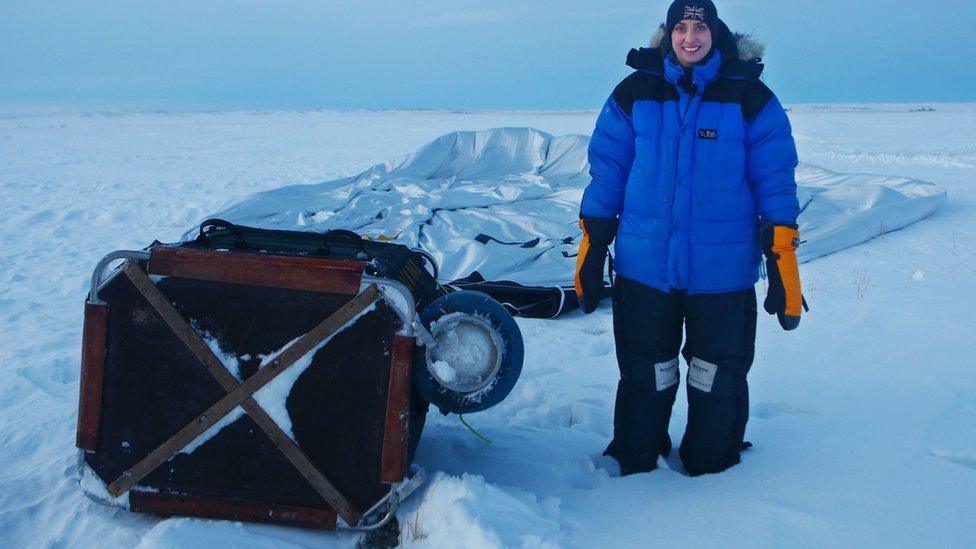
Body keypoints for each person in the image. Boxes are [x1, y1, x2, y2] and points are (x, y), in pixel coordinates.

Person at [575, 0, 806, 477]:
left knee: (714, 374)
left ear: (714, 33)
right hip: (644, 267)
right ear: (669, 32)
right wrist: (593, 244)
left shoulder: (750, 97)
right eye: (681, 26)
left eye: (700, 27)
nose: (690, 37)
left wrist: (782, 258)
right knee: (647, 370)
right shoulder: (635, 90)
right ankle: (637, 457)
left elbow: (776, 179)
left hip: (721, 274)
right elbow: (608, 171)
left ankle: (713, 460)